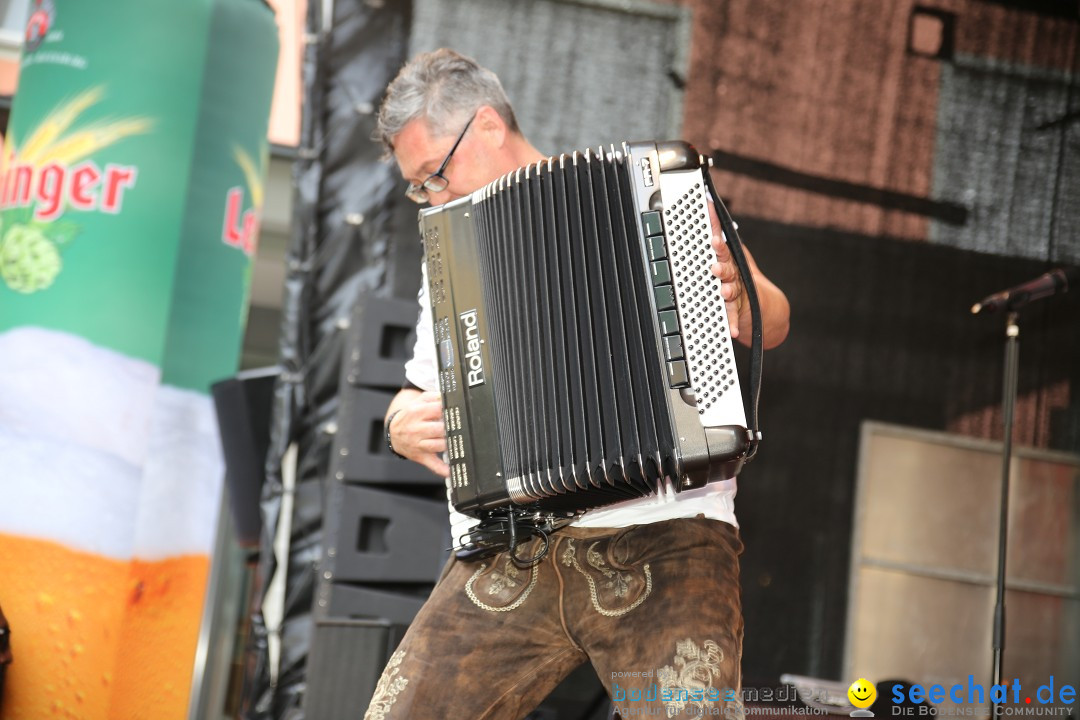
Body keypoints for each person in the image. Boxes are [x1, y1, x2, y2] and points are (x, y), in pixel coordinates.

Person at [367, 48, 790, 720]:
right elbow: (420, 391)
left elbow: (771, 316)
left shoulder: (653, 189)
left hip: (667, 530)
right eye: (418, 188)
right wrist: (398, 422)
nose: (431, 198)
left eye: (433, 176)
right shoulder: (451, 260)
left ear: (486, 127)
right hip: (514, 544)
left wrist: (745, 298)